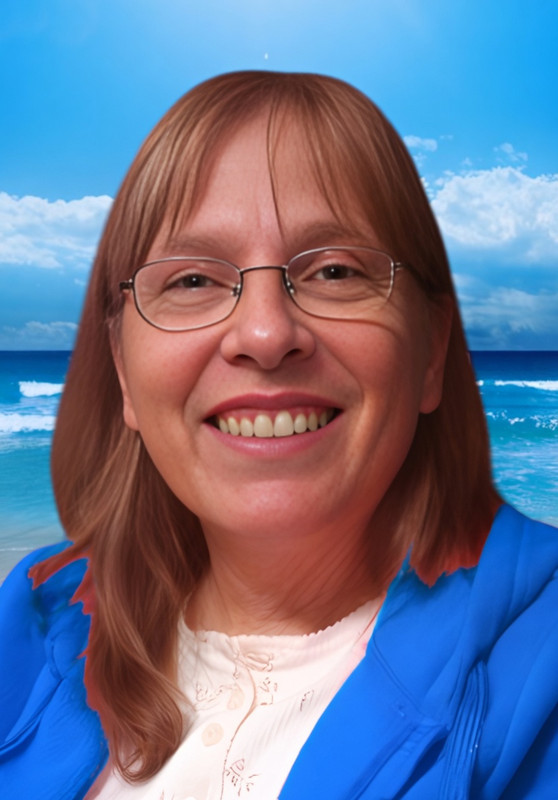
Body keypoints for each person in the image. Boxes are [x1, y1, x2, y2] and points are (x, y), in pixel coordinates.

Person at [1, 71, 557, 800]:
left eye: (335, 271)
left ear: (432, 352)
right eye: (192, 281)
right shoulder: (32, 614)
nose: (265, 334)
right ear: (123, 372)